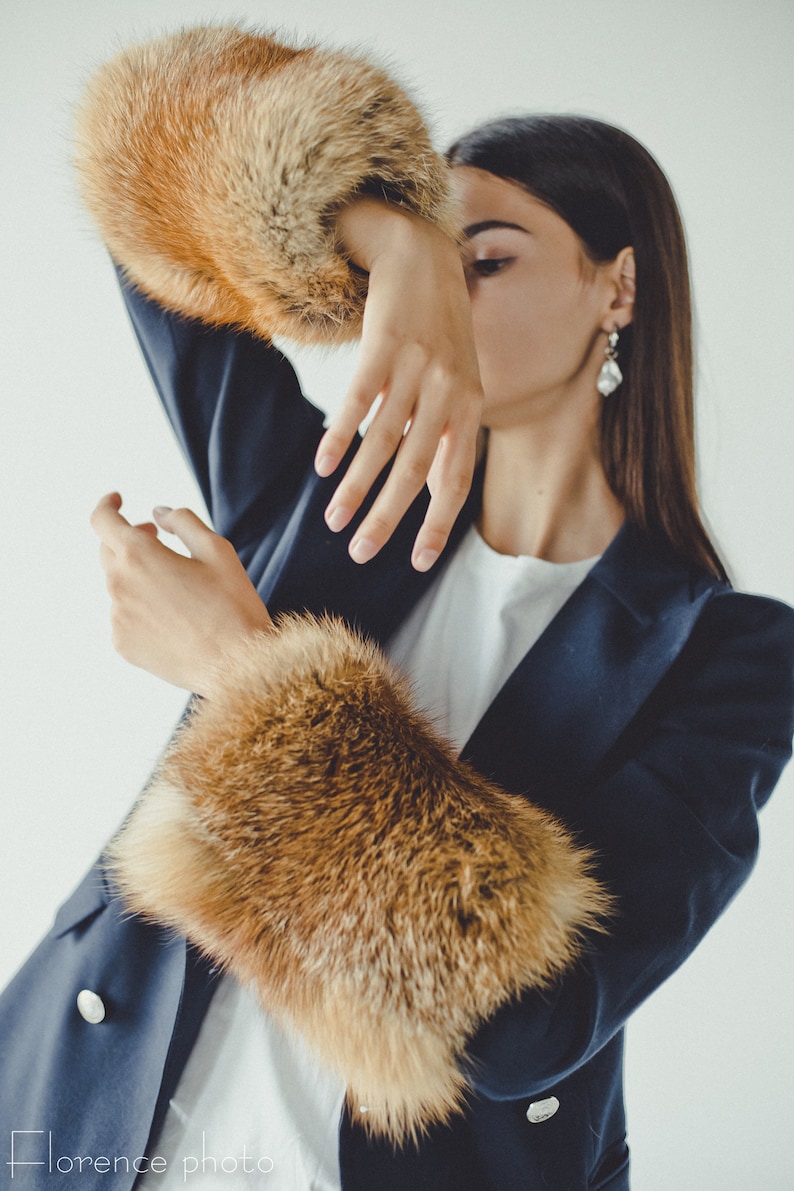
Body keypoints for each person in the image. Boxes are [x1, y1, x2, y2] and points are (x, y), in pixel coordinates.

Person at [1, 22, 793, 1191]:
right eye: (416, 276)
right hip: (86, 1128)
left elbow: (520, 1021)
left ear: (614, 285)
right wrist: (388, 230)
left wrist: (246, 676)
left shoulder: (729, 656)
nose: (425, 307)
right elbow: (140, 157)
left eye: (489, 259)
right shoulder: (326, 496)